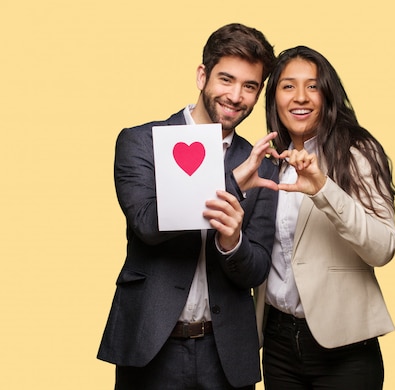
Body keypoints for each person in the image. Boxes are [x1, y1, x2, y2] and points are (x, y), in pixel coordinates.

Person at [97, 23, 279, 389]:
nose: (236, 95)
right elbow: (148, 225)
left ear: (258, 94)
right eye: (226, 79)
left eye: (250, 86)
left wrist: (232, 243)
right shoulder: (140, 141)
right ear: (202, 75)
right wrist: (232, 185)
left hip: (226, 350)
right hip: (151, 343)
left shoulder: (260, 163)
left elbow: (257, 268)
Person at [255, 46, 395, 389]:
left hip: (345, 347)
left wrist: (323, 188)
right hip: (277, 344)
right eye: (288, 86)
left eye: (313, 86)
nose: (301, 97)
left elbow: (382, 248)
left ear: (327, 94)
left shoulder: (356, 152)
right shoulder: (267, 163)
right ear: (274, 96)